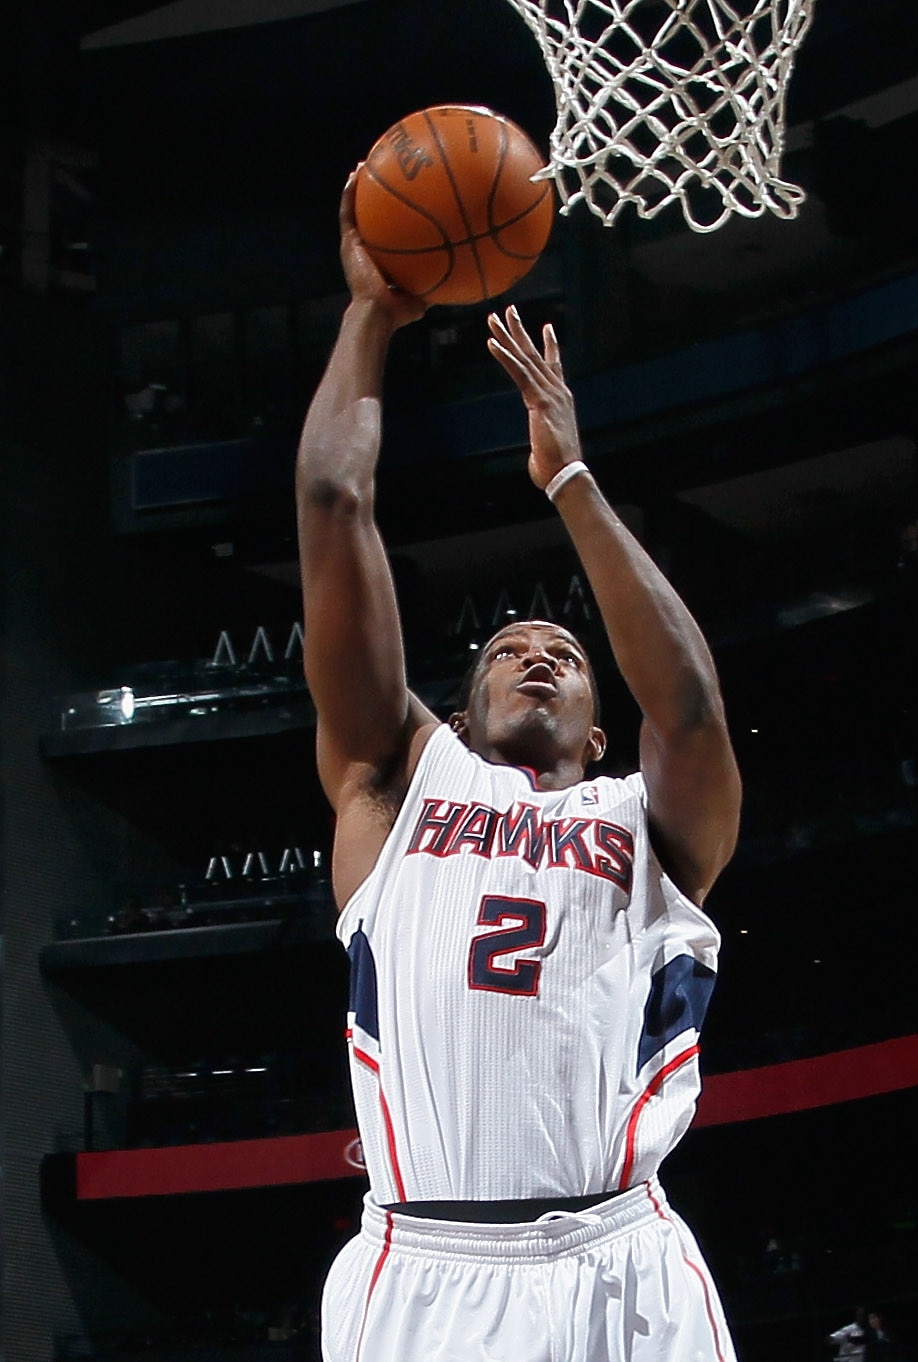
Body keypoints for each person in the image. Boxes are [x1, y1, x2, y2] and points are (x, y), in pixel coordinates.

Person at [299, 173, 743, 1362]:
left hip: (624, 1262)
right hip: (424, 1273)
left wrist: (570, 484)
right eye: (509, 649)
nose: (539, 652)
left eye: (564, 653)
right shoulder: (397, 787)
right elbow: (334, 501)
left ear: (600, 732)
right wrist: (371, 318)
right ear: (456, 706)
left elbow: (692, 707)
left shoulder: (649, 823)